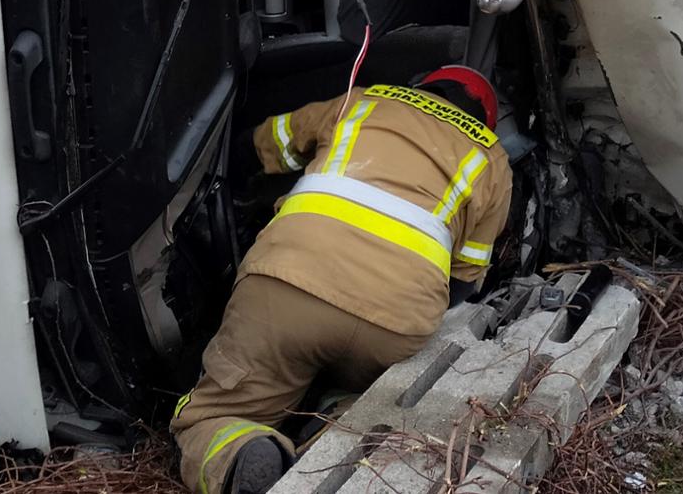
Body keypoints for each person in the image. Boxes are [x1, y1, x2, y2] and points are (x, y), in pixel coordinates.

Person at [170, 65, 514, 493]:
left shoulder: (362, 101)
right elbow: (464, 282)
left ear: (422, 85)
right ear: (484, 120)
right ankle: (334, 424)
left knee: (213, 414)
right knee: (361, 391)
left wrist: (236, 182)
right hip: (390, 325)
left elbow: (267, 143)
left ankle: (243, 455)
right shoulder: (492, 159)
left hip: (286, 286)